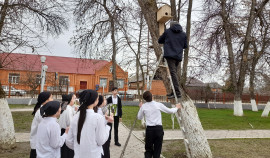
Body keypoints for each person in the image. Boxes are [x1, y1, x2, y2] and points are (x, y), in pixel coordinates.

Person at [66, 90, 113, 158]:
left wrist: (79, 148)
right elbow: (101, 141)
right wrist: (108, 125)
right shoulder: (97, 118)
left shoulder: (75, 117)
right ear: (95, 101)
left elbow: (69, 141)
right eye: (97, 98)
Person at [137, 91, 181, 158]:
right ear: (152, 97)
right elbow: (170, 111)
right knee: (157, 150)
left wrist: (140, 107)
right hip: (158, 130)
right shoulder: (158, 104)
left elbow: (139, 117)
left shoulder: (143, 107)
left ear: (145, 99)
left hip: (149, 130)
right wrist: (177, 107)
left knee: (148, 149)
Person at [158, 21, 188, 99]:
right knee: (174, 73)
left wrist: (168, 41)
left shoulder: (168, 31)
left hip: (170, 56)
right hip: (178, 57)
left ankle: (177, 93)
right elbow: (185, 46)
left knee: (173, 73)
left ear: (171, 25)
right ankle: (173, 92)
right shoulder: (183, 34)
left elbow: (160, 40)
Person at [30, 92, 53, 158]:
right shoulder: (42, 112)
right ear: (46, 100)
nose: (53, 99)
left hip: (39, 144)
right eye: (51, 97)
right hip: (38, 145)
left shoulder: (43, 110)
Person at [59, 93, 76, 158]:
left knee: (63, 152)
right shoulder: (68, 109)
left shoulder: (64, 106)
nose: (75, 100)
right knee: (67, 152)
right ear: (70, 99)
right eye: (74, 98)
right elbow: (70, 123)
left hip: (62, 131)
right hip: (66, 132)